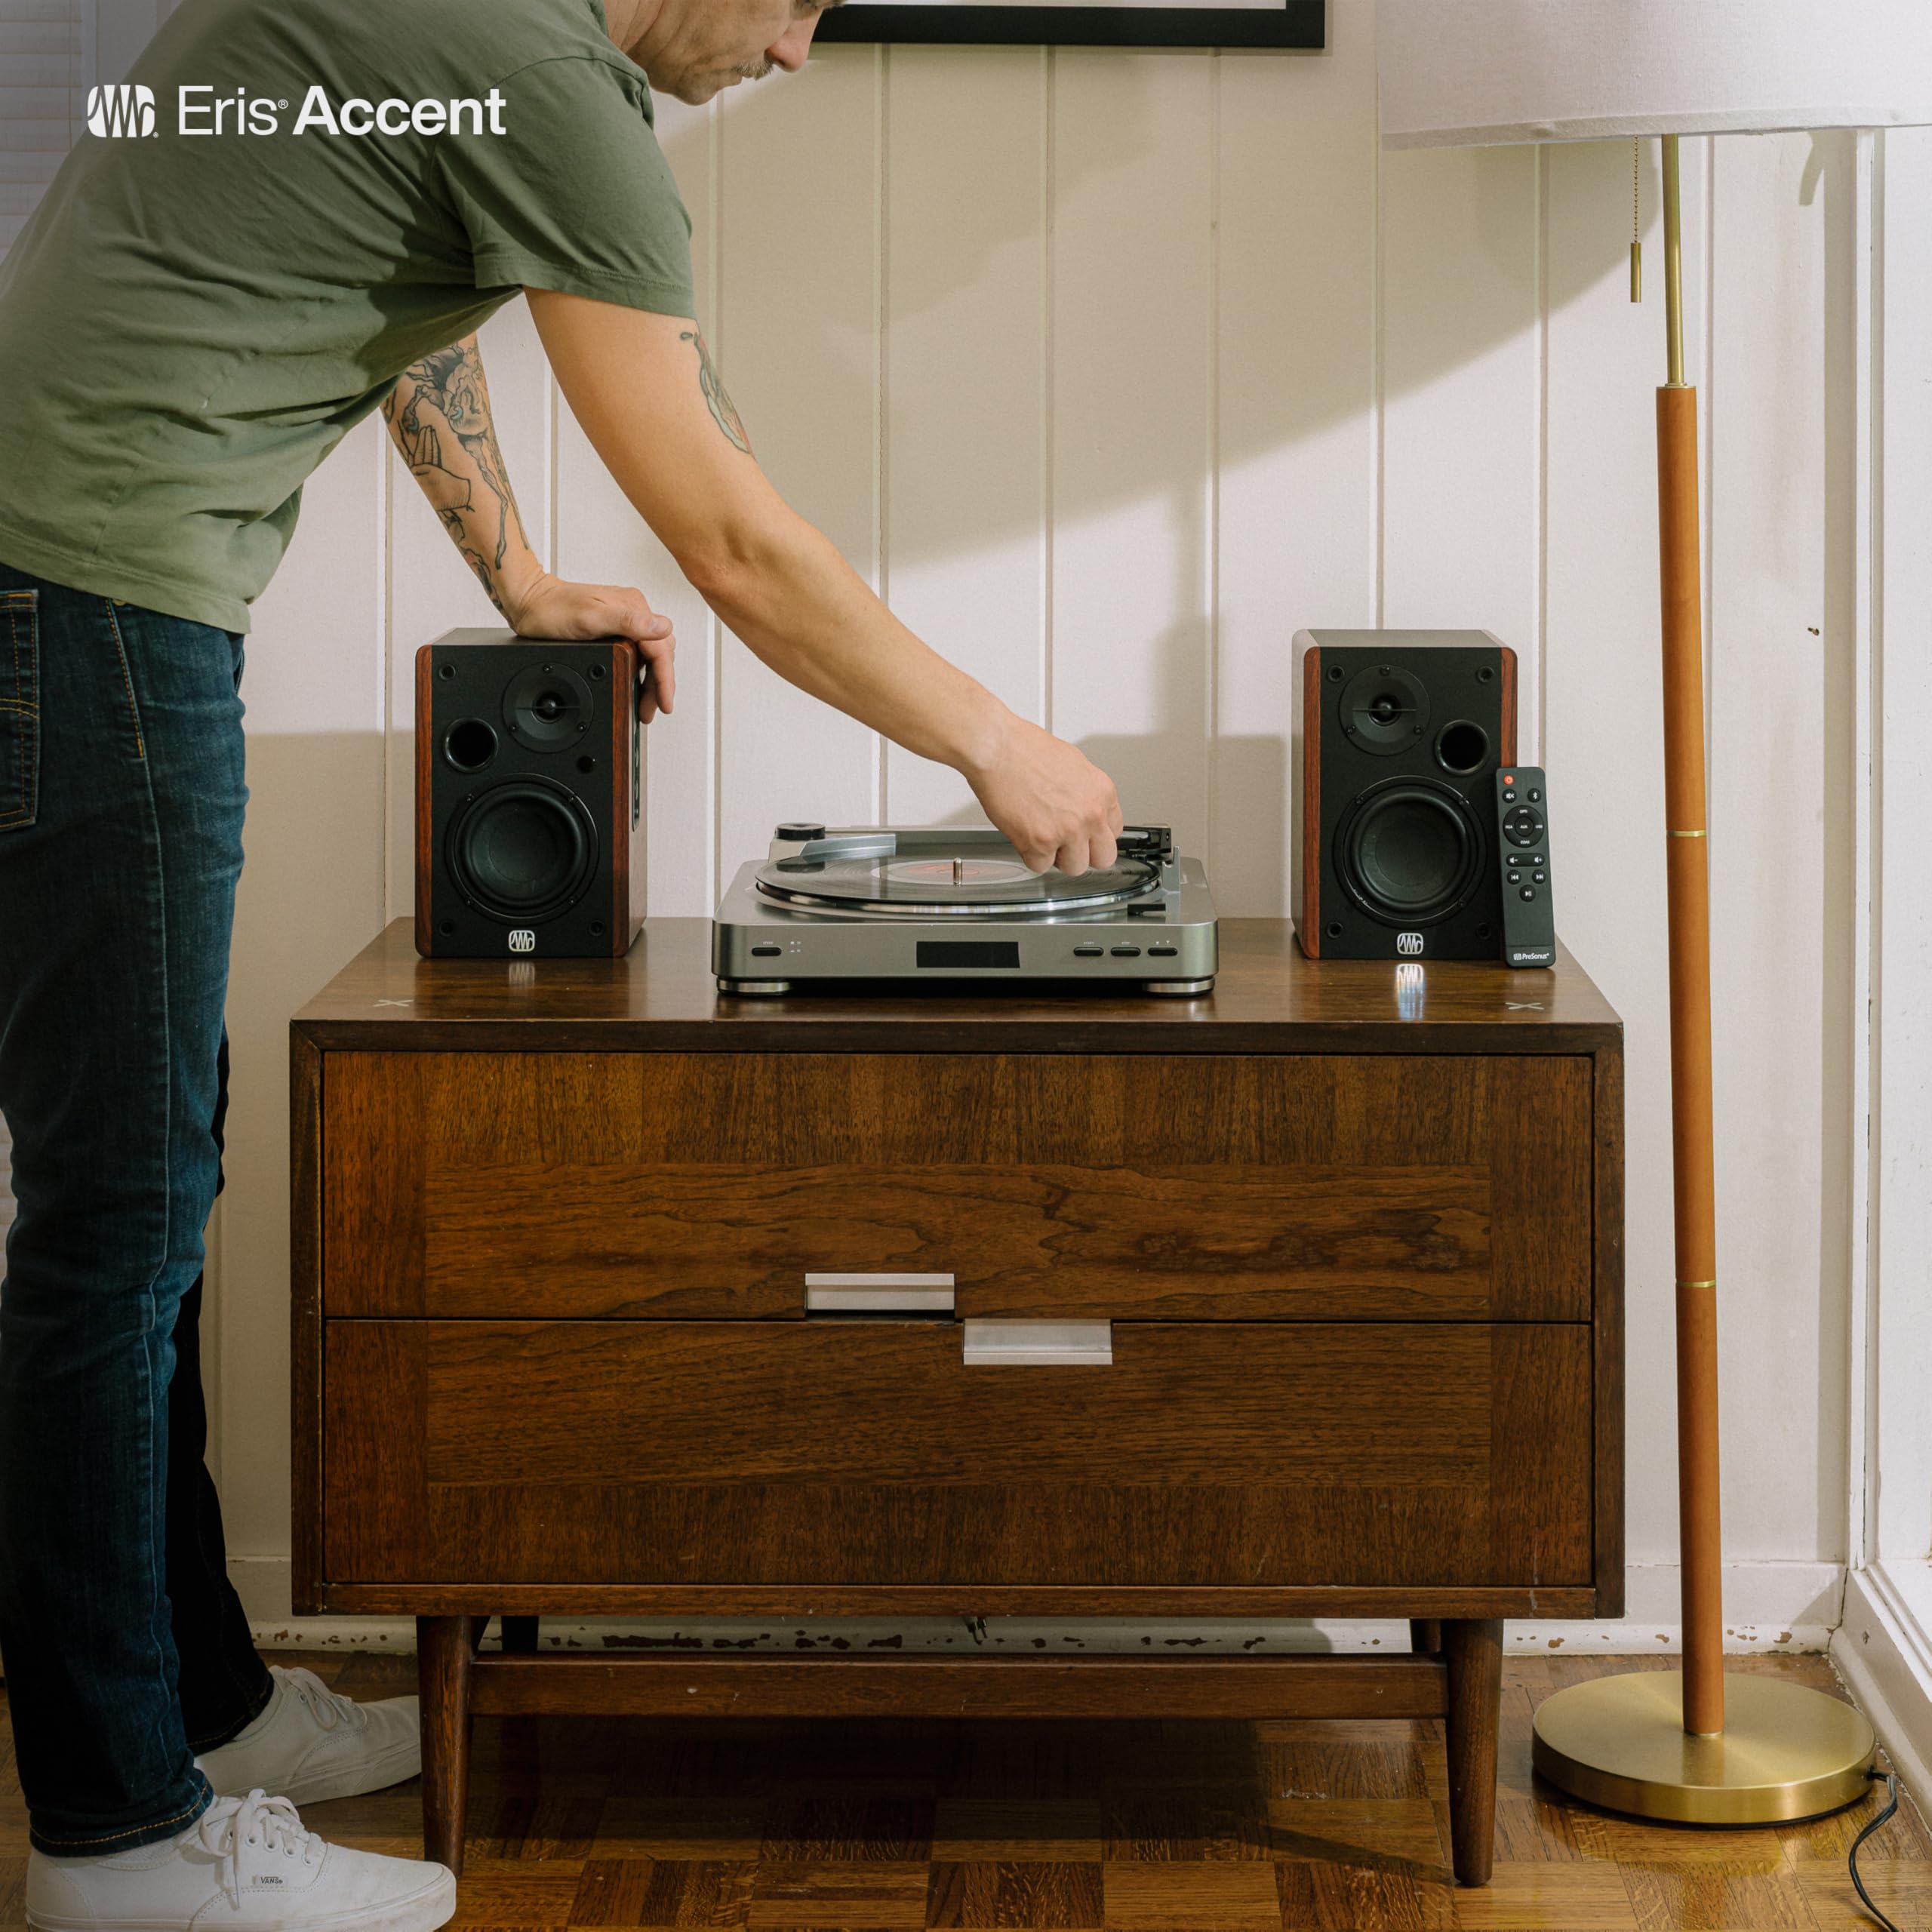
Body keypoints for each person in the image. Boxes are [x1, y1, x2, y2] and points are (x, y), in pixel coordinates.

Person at [0, 0, 1122, 1924]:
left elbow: (390, 264)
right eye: (800, 2)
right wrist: (992, 742)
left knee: (147, 1190)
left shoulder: (461, 26)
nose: (795, 55)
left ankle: (200, 1707)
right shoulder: (550, 83)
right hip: (94, 602)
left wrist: (517, 576)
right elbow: (732, 540)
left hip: (61, 584)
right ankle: (114, 1836)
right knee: (115, 1231)